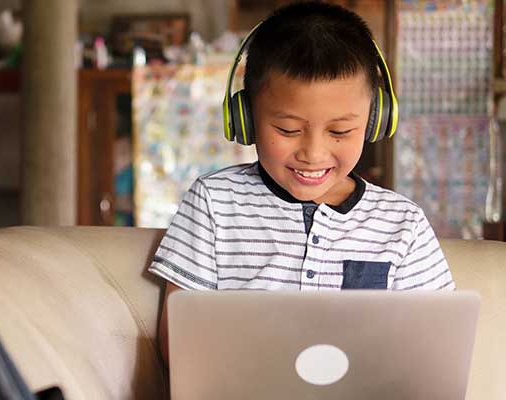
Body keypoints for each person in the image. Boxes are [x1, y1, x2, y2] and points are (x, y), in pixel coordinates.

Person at [147, 1, 455, 367]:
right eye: (288, 130)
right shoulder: (215, 203)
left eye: (340, 131)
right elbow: (179, 341)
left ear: (375, 120)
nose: (313, 153)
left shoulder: (404, 224)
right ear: (244, 118)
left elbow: (434, 351)